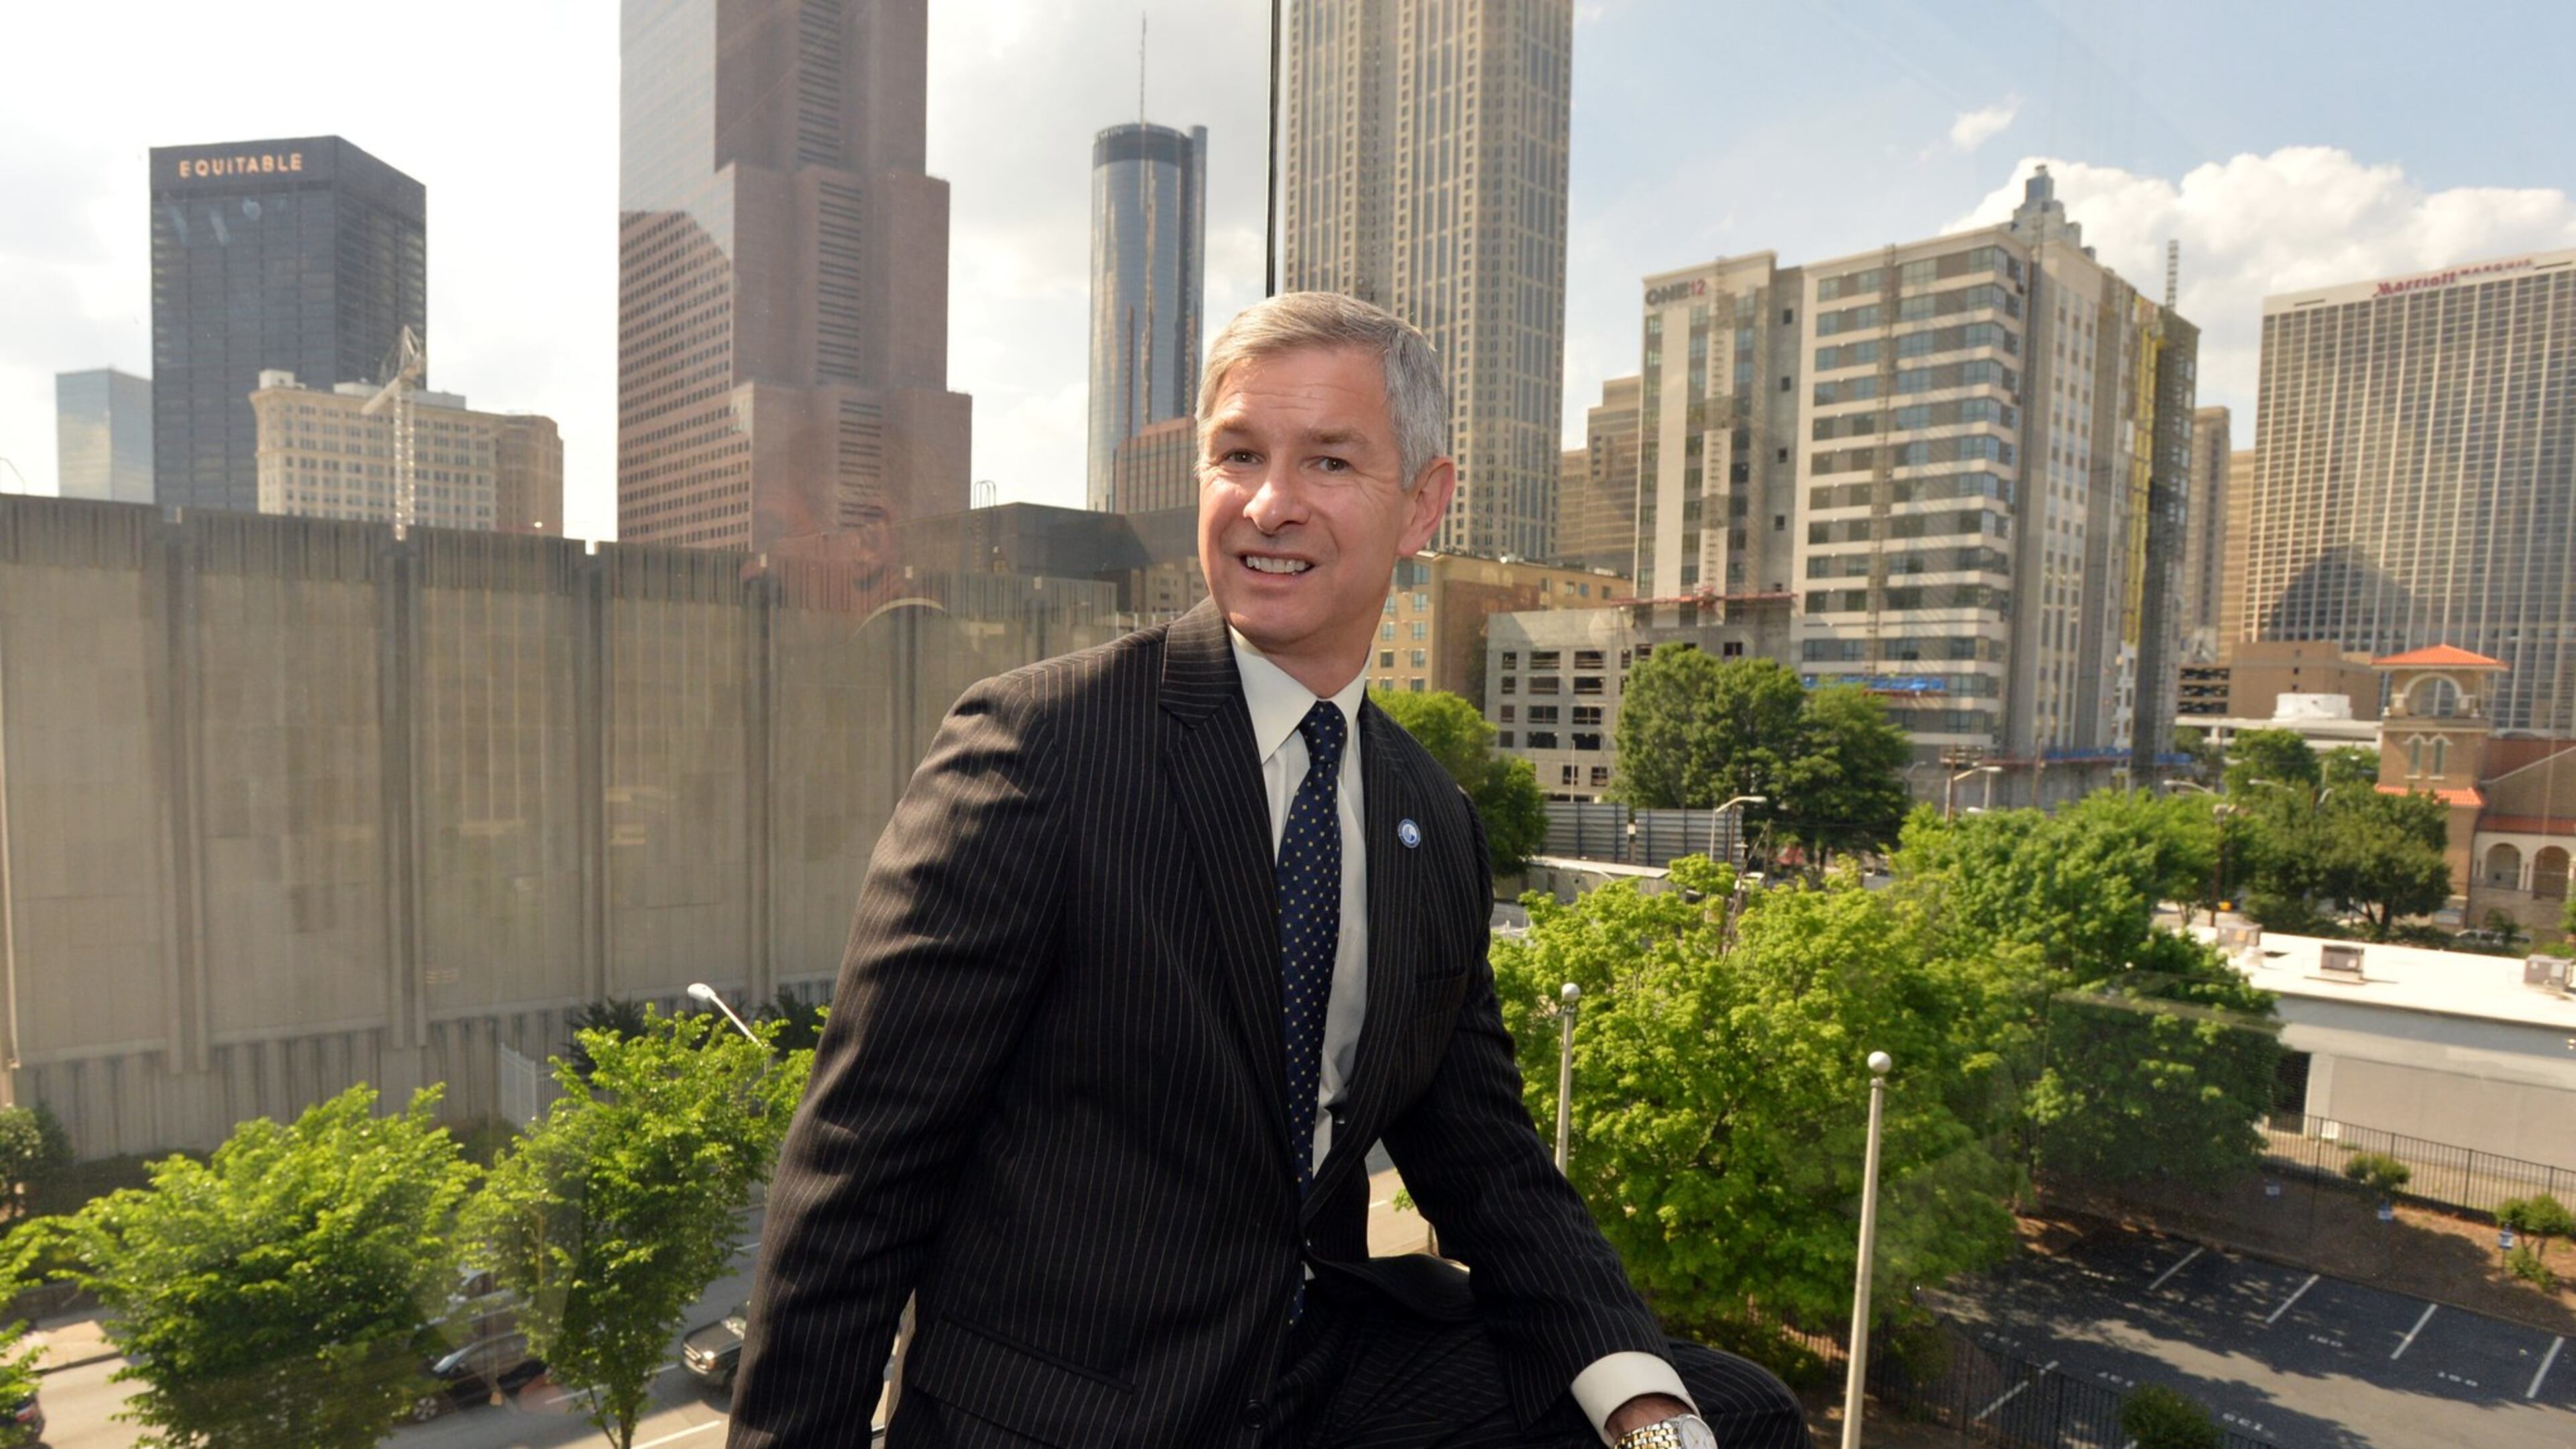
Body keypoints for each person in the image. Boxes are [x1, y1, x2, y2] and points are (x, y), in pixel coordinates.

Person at [729, 292, 1805, 1449]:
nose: (1268, 504)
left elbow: (1487, 1161)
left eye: (1329, 461)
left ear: (1423, 504)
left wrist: (1641, 1403)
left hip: (1311, 1372)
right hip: (1075, 1411)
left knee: (1734, 1419)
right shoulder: (1042, 746)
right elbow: (862, 1171)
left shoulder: (1430, 818)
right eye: (1238, 455)